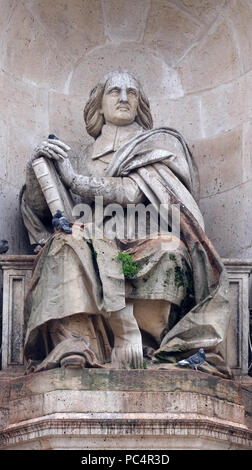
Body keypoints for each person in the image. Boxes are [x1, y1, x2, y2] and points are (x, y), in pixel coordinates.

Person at [21, 70, 230, 376]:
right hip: (89, 237)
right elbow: (42, 210)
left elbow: (133, 193)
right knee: (63, 245)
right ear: (99, 105)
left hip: (143, 235)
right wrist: (36, 167)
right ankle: (76, 343)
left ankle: (150, 342)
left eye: (131, 93)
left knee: (170, 250)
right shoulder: (78, 156)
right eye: (114, 92)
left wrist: (74, 180)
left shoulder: (157, 147)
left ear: (139, 104)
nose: (122, 98)